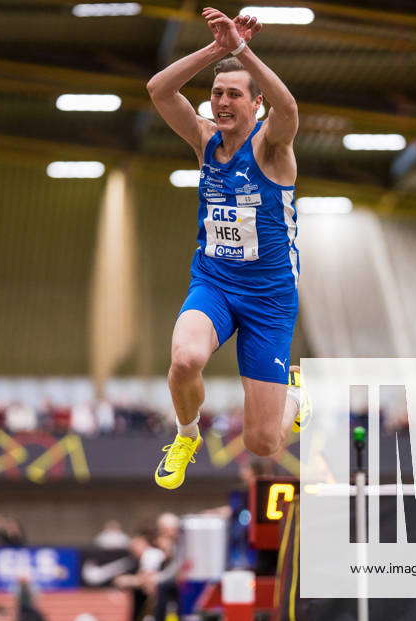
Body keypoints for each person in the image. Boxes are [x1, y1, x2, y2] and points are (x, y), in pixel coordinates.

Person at [147, 7, 304, 490]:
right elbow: (159, 90)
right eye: (216, 93)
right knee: (184, 360)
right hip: (214, 281)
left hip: (269, 299)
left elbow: (290, 108)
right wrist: (216, 50)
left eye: (234, 94)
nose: (222, 102)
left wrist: (242, 51)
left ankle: (296, 399)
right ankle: (186, 436)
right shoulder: (203, 139)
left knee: (263, 443)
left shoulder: (271, 147)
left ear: (255, 104)